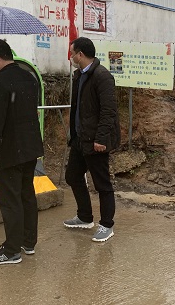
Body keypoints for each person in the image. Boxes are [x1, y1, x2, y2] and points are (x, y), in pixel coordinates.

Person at [0, 39, 44, 265]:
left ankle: (11, 251)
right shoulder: (29, 77)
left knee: (10, 200)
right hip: (29, 149)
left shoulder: (0, 83)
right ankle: (28, 242)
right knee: (26, 194)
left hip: (9, 151)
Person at [64, 36, 120, 242]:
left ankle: (107, 225)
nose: (70, 57)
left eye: (72, 53)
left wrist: (101, 138)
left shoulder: (102, 76)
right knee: (72, 176)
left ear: (80, 54)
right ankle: (85, 216)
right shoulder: (80, 75)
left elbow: (109, 111)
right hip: (81, 138)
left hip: (96, 140)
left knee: (102, 183)